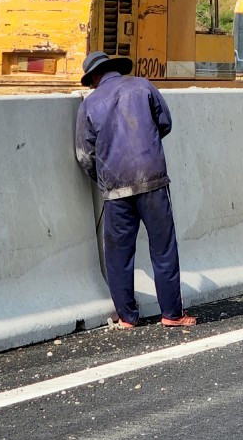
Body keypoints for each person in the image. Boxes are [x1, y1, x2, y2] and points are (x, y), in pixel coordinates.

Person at [74, 51, 197, 329]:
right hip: (152, 180)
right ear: (114, 68)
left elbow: (84, 155)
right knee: (163, 248)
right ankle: (171, 315)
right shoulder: (143, 86)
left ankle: (128, 318)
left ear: (94, 77)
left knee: (118, 255)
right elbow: (164, 123)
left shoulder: (90, 104)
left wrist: (103, 178)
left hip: (115, 189)